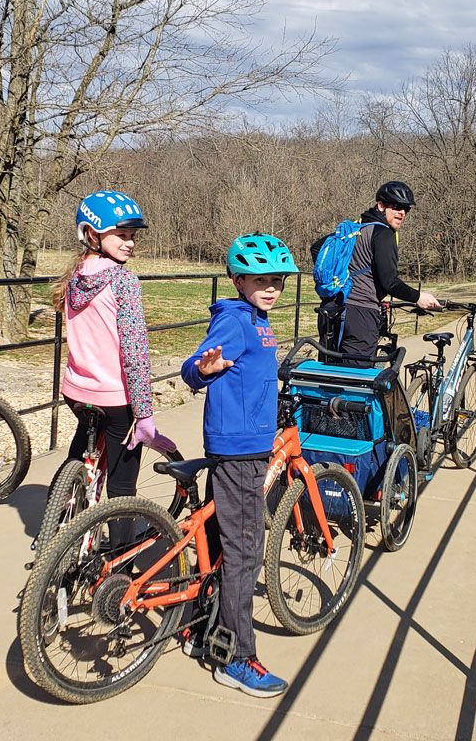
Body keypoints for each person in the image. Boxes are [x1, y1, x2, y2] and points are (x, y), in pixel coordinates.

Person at [180, 233, 297, 698]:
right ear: (237, 279)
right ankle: (235, 657)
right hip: (239, 450)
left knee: (221, 541)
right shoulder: (234, 320)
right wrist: (201, 371)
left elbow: (256, 369)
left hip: (247, 441)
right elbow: (196, 364)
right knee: (247, 549)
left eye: (277, 280)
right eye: (259, 280)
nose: (270, 287)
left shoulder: (259, 319)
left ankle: (197, 629)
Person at [55, 190, 176, 507]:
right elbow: (135, 352)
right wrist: (145, 415)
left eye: (132, 235)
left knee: (80, 454)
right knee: (122, 489)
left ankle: (60, 518)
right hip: (114, 396)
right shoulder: (123, 280)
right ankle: (123, 556)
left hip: (77, 390)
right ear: (92, 234)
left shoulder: (75, 275)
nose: (130, 242)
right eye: (121, 234)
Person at [313, 180, 440, 366]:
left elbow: (317, 249)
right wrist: (418, 297)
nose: (402, 213)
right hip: (361, 314)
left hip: (331, 310)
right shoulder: (384, 234)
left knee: (329, 376)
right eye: (396, 206)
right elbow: (390, 282)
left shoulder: (355, 230)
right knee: (357, 382)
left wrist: (340, 276)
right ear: (381, 205)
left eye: (406, 209)